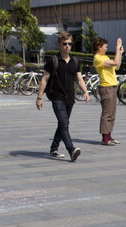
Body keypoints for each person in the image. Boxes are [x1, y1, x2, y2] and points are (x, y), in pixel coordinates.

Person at [36, 31, 90, 161]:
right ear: (59, 44)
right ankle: (71, 150)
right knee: (64, 123)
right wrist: (39, 97)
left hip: (70, 98)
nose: (67, 46)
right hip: (56, 96)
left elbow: (79, 78)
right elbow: (44, 79)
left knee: (63, 123)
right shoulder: (53, 60)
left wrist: (85, 91)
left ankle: (54, 148)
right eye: (64, 44)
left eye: (69, 44)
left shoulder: (75, 61)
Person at [93, 36, 123, 145]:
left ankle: (109, 136)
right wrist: (117, 48)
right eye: (105, 47)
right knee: (107, 113)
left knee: (112, 113)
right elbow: (114, 63)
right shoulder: (98, 58)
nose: (106, 48)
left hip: (112, 86)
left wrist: (120, 52)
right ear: (99, 47)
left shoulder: (104, 56)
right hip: (106, 87)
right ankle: (104, 138)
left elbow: (117, 66)